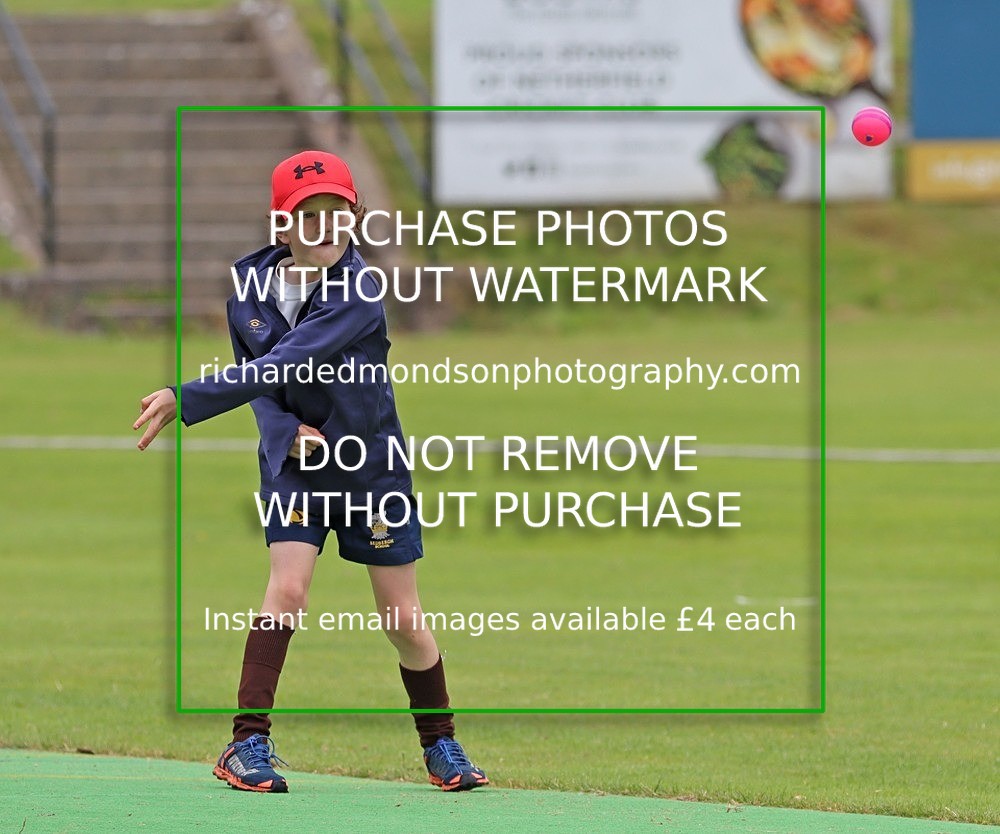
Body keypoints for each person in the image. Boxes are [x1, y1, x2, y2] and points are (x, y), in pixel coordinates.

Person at [133, 150, 488, 794]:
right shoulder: (250, 288)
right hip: (295, 470)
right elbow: (264, 384)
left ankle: (442, 746)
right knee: (288, 589)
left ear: (355, 218)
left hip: (371, 470)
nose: (325, 226)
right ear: (281, 225)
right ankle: (246, 743)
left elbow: (285, 361)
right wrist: (281, 433)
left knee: (401, 616)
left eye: (338, 212)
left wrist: (187, 397)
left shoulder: (360, 292)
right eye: (308, 214)